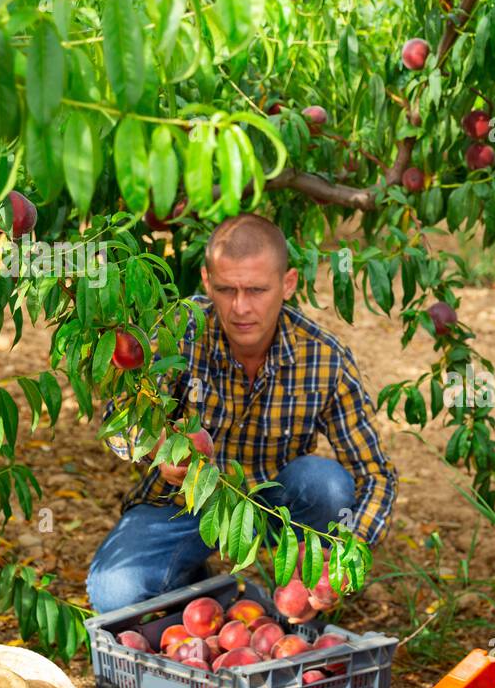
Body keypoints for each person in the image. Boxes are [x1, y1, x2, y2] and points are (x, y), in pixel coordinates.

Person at [87, 214, 398, 615]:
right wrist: (154, 446)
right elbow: (120, 416)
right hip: (183, 506)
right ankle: (206, 587)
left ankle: (301, 600)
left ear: (287, 284)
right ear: (205, 281)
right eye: (226, 289)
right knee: (114, 592)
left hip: (270, 507)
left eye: (256, 290)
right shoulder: (178, 330)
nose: (240, 308)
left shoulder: (322, 358)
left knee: (328, 486)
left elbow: (376, 474)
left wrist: (345, 553)